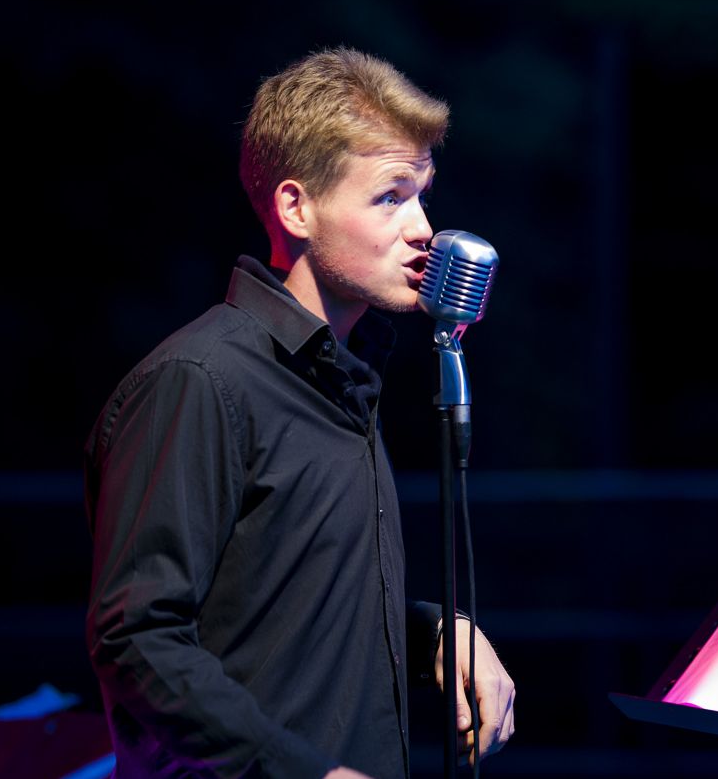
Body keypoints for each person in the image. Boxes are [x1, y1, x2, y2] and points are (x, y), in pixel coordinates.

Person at [84, 47, 515, 778]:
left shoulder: (344, 381)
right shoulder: (201, 381)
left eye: (422, 195)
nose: (423, 228)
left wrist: (438, 632)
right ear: (296, 208)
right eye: (390, 197)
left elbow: (290, 612)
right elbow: (137, 641)